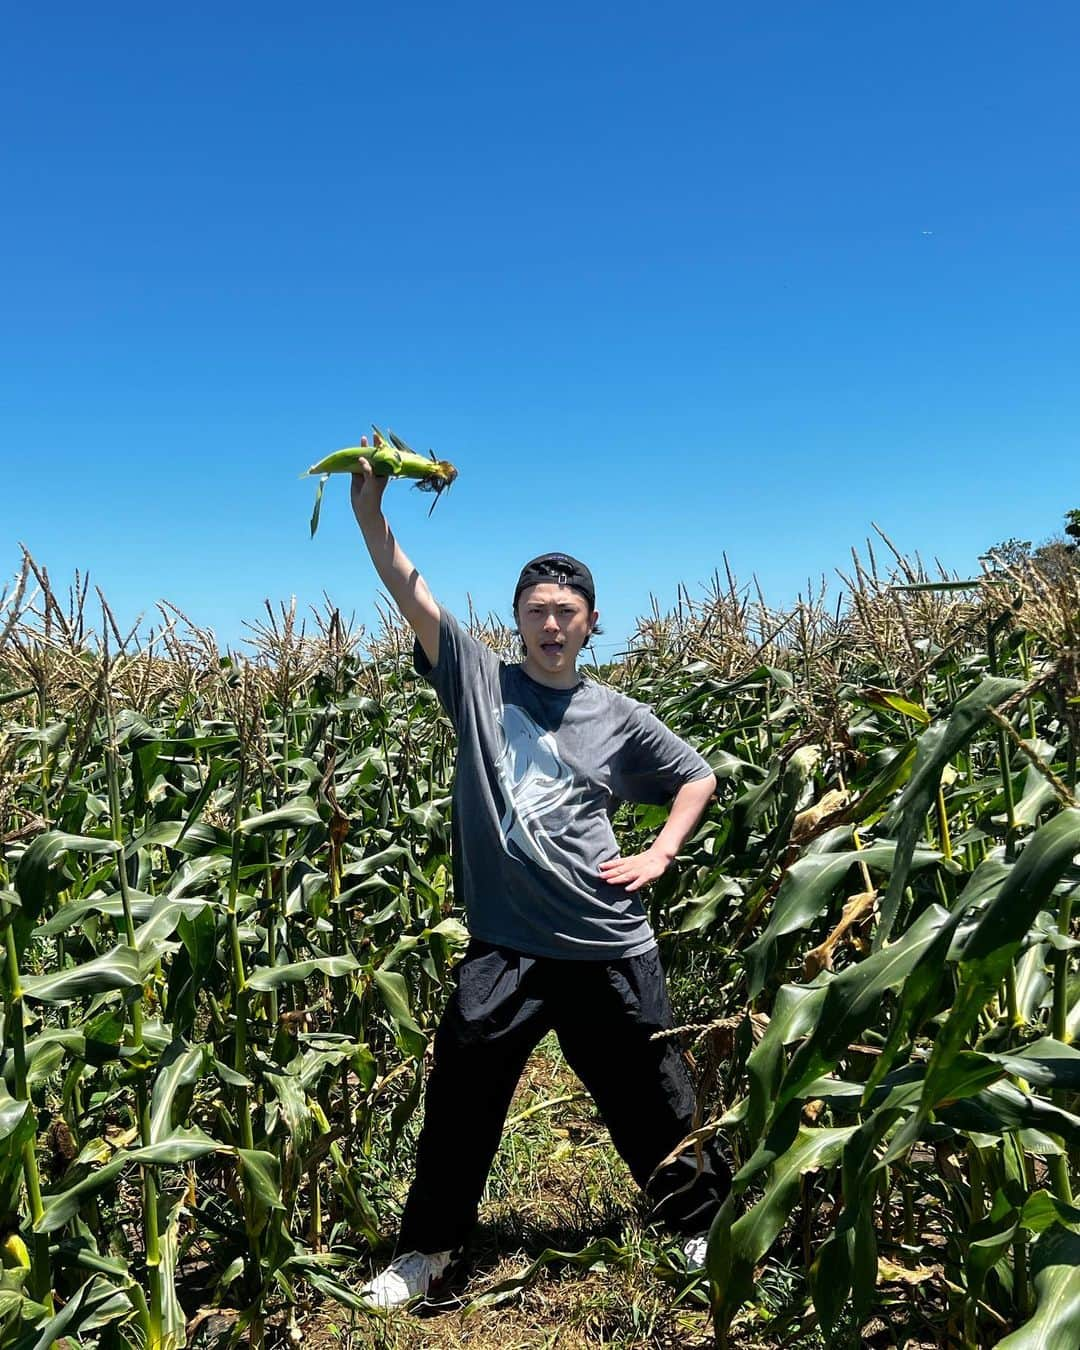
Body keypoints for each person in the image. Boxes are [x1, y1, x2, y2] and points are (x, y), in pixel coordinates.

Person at [349, 451, 731, 1308]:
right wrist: (373, 518)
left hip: (605, 938)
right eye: (535, 612)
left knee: (655, 1099)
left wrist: (661, 852)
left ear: (592, 623)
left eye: (565, 612)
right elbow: (414, 595)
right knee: (460, 1099)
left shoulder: (618, 715)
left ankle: (701, 1229)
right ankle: (431, 1253)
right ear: (516, 621)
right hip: (506, 947)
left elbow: (697, 776)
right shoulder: (479, 682)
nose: (550, 625)